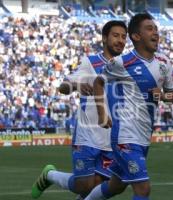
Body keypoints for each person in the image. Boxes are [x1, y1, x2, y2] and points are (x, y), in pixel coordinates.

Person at [31, 20, 127, 199]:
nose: (120, 40)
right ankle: (49, 175)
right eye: (116, 35)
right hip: (87, 136)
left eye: (123, 37)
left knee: (98, 186)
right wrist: (77, 84)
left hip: (112, 139)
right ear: (104, 38)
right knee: (84, 185)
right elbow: (63, 87)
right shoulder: (90, 63)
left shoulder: (126, 67)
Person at [85, 13, 173, 200]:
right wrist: (103, 114)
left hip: (144, 137)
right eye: (150, 29)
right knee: (143, 188)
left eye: (156, 29)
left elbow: (171, 96)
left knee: (115, 186)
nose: (156, 33)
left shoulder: (164, 62)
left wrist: (162, 95)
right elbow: (98, 83)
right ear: (136, 36)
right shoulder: (121, 63)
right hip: (125, 137)